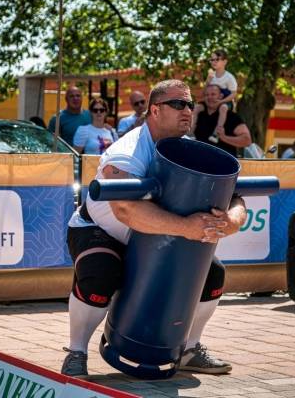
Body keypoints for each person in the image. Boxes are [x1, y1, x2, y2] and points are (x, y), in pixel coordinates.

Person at [61, 79, 247, 377]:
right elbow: (124, 208)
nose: (187, 110)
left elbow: (235, 198)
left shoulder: (188, 149)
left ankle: (189, 349)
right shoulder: (128, 151)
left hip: (153, 236)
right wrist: (186, 227)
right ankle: (76, 351)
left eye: (190, 104)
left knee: (212, 273)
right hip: (100, 229)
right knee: (101, 271)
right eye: (178, 104)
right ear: (155, 110)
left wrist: (230, 221)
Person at [193, 84, 252, 157]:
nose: (209, 97)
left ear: (220, 96)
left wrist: (224, 138)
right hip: (199, 160)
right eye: (207, 95)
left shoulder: (231, 116)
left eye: (213, 94)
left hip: (223, 161)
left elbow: (247, 140)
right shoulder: (199, 114)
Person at [205, 49, 238, 139]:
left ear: (224, 62)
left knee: (223, 108)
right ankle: (191, 133)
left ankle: (216, 134)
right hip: (213, 101)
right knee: (197, 107)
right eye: (212, 59)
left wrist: (221, 101)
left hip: (226, 102)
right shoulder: (211, 75)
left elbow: (234, 94)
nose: (214, 62)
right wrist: (207, 81)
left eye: (217, 59)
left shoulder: (229, 77)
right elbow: (205, 92)